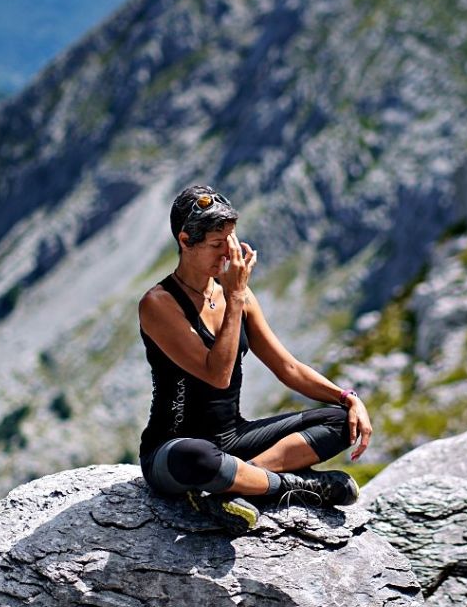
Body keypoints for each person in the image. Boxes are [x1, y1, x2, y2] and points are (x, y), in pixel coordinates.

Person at [139, 183, 373, 535]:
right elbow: (216, 374)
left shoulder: (238, 295)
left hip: (234, 438)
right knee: (198, 458)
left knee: (342, 422)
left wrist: (348, 398)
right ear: (186, 241)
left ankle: (236, 486)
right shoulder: (159, 303)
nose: (229, 255)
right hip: (174, 448)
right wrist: (234, 297)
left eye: (231, 241)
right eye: (218, 245)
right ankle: (299, 487)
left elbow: (288, 367)